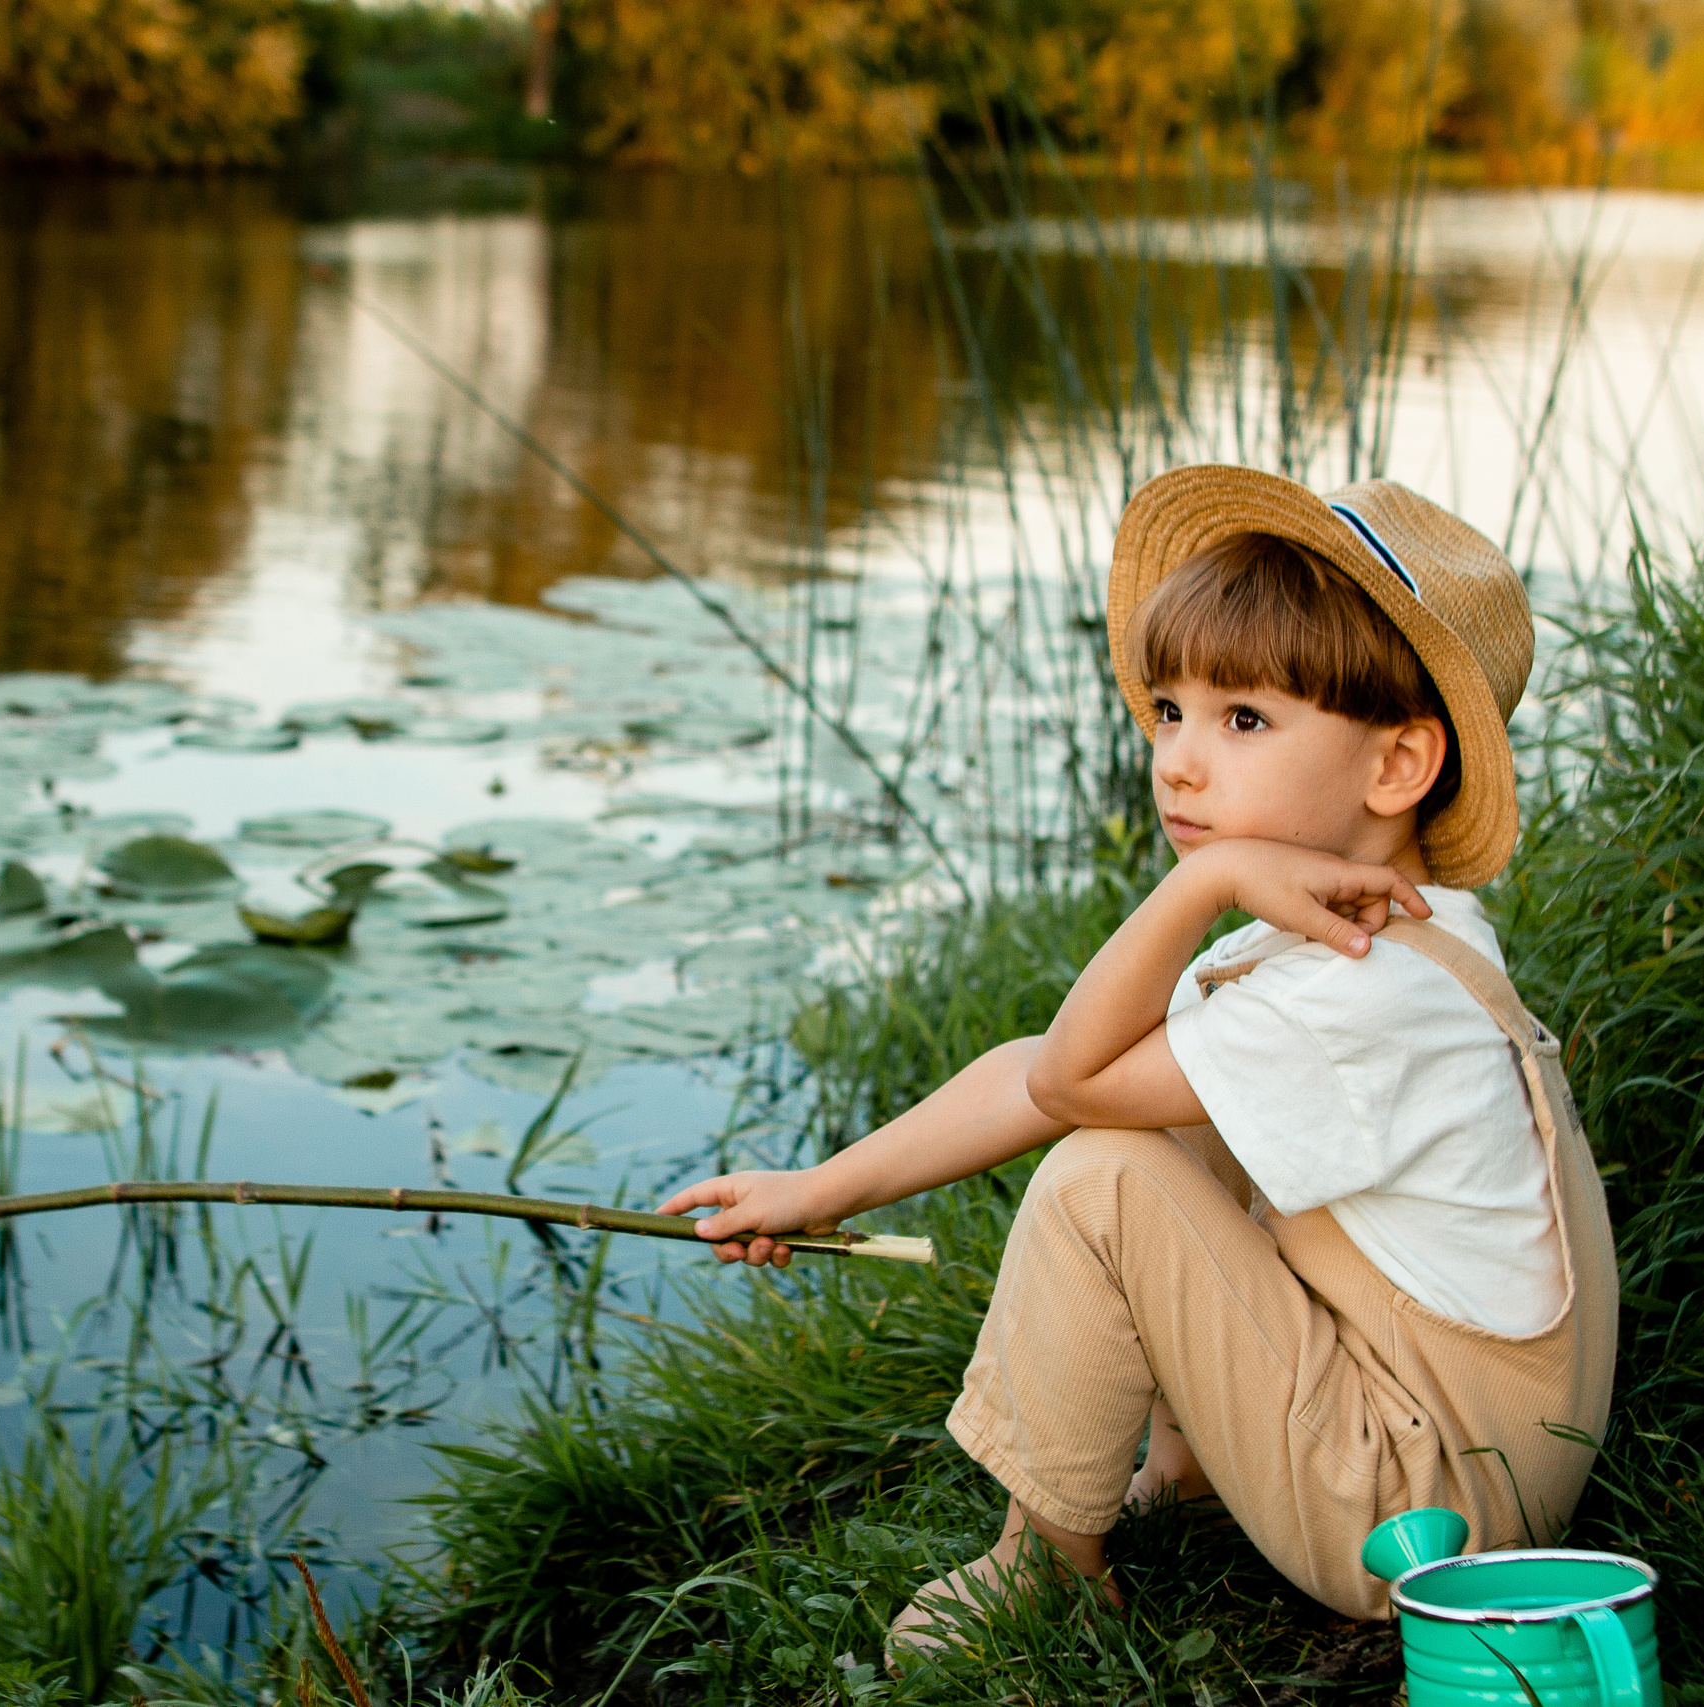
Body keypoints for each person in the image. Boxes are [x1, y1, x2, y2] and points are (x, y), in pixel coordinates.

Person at [659, 467, 1619, 1640]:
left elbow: (1066, 1084)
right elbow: (1050, 1070)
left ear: (1396, 767)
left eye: (1242, 719)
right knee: (1160, 1114)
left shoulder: (1361, 994)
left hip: (1421, 1520)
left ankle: (1043, 1569)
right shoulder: (1395, 941)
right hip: (1469, 1463)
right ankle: (1190, 1474)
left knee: (1103, 1181)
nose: (1176, 760)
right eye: (1169, 711)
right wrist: (821, 1189)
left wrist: (1203, 882)